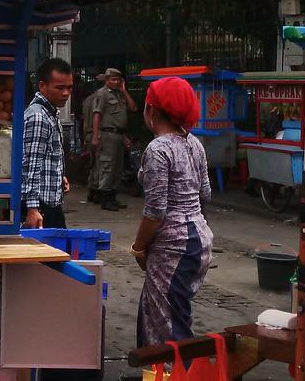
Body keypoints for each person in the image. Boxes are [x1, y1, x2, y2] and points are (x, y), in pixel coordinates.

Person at [131, 77, 213, 348]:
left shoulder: (158, 149)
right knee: (172, 313)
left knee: (166, 326)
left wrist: (139, 247)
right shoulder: (194, 144)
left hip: (174, 246)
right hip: (198, 238)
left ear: (151, 110)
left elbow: (155, 211)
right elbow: (205, 194)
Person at [21, 58, 73, 229]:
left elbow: (47, 155)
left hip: (50, 202)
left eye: (69, 88)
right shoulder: (38, 116)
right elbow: (30, 165)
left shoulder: (50, 112)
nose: (66, 93)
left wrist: (59, 175)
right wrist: (32, 209)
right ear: (42, 86)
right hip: (41, 207)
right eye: (60, 88)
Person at [90, 67, 137, 211]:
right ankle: (105, 198)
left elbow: (133, 108)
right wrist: (95, 136)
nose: (116, 82)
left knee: (118, 167)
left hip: (119, 135)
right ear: (107, 80)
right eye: (113, 79)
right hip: (107, 134)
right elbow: (97, 116)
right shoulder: (102, 94)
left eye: (118, 80)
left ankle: (112, 197)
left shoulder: (120, 94)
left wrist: (124, 90)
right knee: (107, 166)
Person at [79, 72, 107, 204]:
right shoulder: (103, 98)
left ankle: (92, 190)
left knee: (93, 164)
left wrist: (85, 138)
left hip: (90, 134)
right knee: (101, 165)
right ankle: (98, 192)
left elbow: (84, 121)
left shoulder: (87, 100)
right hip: (99, 134)